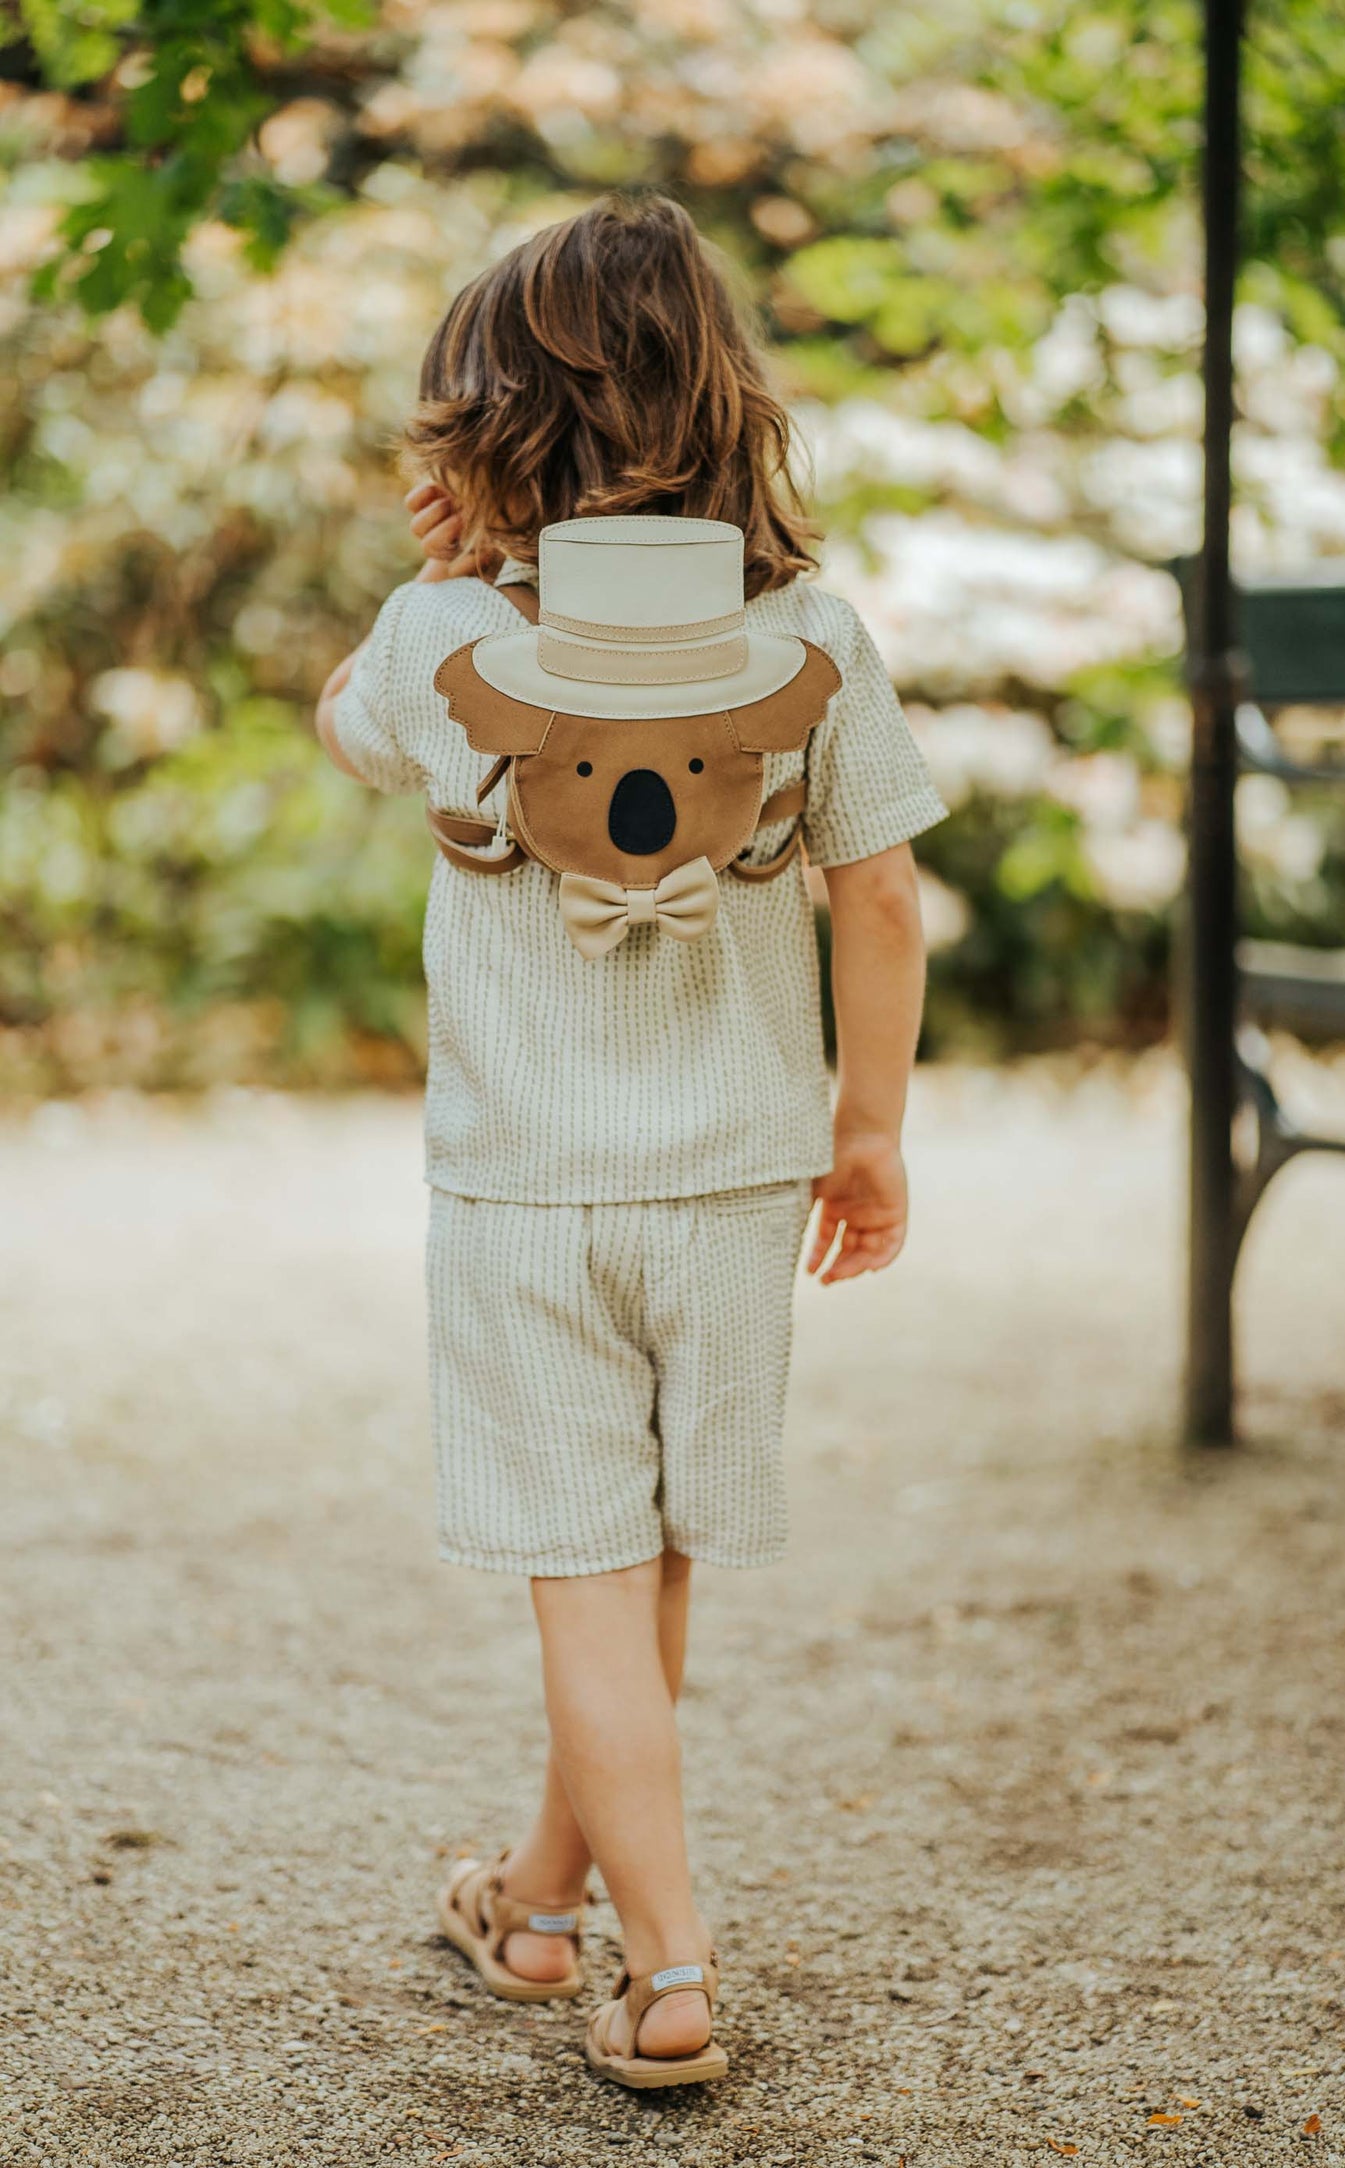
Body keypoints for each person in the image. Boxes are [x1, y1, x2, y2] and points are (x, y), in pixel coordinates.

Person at [314, 190, 945, 2090]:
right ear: (723, 401)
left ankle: (668, 1974)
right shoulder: (806, 635)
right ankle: (532, 1907)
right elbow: (881, 895)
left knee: (587, 1576)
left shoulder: (441, 637)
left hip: (527, 1196)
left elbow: (347, 726)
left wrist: (431, 576)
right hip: (736, 1183)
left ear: (486, 426)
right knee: (647, 1566)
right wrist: (866, 1131)